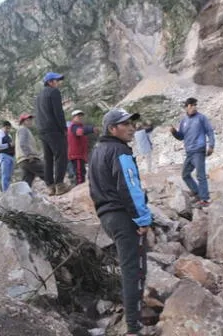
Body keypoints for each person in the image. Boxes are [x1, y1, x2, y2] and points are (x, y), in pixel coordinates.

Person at [88, 108, 153, 336]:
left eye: (131, 123)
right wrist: (143, 219)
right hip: (123, 216)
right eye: (126, 124)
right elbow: (130, 187)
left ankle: (131, 320)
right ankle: (134, 328)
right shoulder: (119, 150)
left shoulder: (97, 152)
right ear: (112, 128)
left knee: (128, 267)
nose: (132, 127)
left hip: (107, 216)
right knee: (133, 270)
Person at [169, 97, 215, 208]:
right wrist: (174, 132)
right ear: (186, 107)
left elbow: (209, 131)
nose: (193, 107)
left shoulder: (201, 118)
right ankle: (198, 193)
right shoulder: (184, 121)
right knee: (185, 174)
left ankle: (205, 199)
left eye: (195, 105)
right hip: (189, 152)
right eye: (191, 105)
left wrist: (211, 145)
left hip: (199, 150)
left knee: (201, 175)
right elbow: (181, 136)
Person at [34, 71, 71, 196]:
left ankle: (50, 186)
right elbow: (58, 112)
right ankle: (60, 185)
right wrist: (64, 128)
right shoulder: (54, 92)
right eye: (56, 80)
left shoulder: (38, 96)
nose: (58, 83)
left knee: (48, 158)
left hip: (42, 130)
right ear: (50, 82)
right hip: (54, 129)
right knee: (61, 155)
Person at [67, 109, 99, 184]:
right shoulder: (73, 127)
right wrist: (91, 129)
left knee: (81, 172)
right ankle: (79, 188)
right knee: (79, 173)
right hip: (76, 155)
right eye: (78, 116)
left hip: (80, 155)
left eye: (81, 116)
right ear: (73, 117)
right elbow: (80, 132)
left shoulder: (79, 126)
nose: (80, 117)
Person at [15, 113, 46, 188]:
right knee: (45, 172)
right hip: (28, 158)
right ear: (23, 121)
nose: (30, 121)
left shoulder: (23, 130)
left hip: (22, 160)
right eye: (28, 120)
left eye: (31, 120)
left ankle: (23, 197)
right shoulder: (23, 130)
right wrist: (29, 155)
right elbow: (23, 143)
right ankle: (55, 188)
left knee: (27, 181)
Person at [0, 120, 15, 192]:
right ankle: (5, 191)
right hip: (3, 155)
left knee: (9, 175)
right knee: (5, 174)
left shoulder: (9, 135)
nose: (8, 130)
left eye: (9, 128)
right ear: (2, 127)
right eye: (6, 128)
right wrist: (9, 145)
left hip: (11, 155)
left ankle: (9, 189)